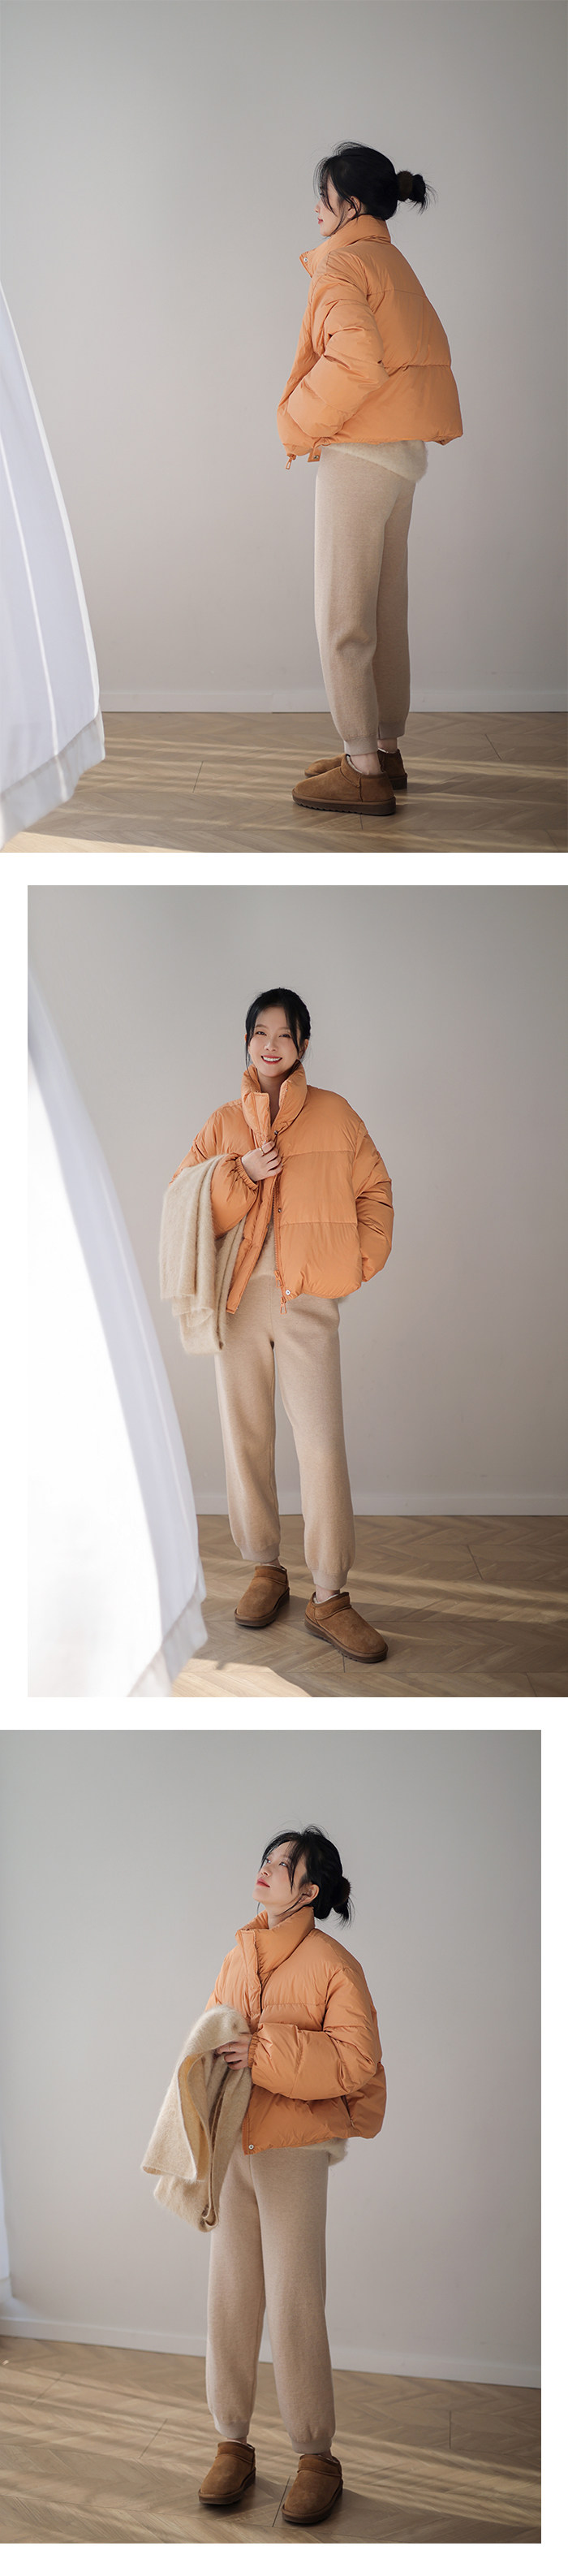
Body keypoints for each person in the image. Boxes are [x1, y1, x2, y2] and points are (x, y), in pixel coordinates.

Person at [170, 984, 394, 1663]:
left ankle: (330, 1595)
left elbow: (375, 1190)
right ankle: (266, 1568)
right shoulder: (221, 1124)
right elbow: (184, 1207)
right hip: (239, 1306)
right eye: (260, 1033)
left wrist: (349, 1267)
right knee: (246, 1440)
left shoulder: (336, 1115)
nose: (271, 1045)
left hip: (307, 1306)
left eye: (284, 1035)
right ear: (248, 1042)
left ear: (303, 1045)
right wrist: (239, 1172)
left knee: (321, 1446)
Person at [198, 1826, 386, 2526]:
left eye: (284, 1865)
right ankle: (232, 2442)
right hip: (234, 2148)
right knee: (230, 2298)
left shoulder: (335, 1964)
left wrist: (263, 2050)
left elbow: (356, 2062)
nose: (267, 1869)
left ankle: (315, 2455)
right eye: (267, 1859)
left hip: (294, 2152)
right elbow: (212, 2038)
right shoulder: (237, 1955)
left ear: (309, 1890)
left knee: (295, 2300)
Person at [277, 141, 463, 816]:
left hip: (358, 455)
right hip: (401, 456)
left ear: (350, 205)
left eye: (324, 197)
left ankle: (361, 771)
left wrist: (295, 421)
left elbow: (356, 358)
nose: (316, 209)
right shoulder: (394, 262)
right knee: (385, 609)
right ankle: (383, 749)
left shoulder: (343, 263)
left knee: (344, 615)